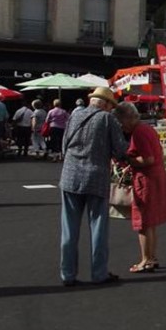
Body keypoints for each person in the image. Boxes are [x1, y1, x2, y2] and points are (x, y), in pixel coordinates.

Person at [58, 87, 127, 287]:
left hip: (70, 176)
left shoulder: (75, 116)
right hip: (96, 176)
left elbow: (64, 146)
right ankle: (99, 273)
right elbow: (120, 149)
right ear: (106, 104)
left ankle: (67, 274)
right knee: (98, 227)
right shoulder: (107, 119)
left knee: (69, 229)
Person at [114, 102, 166, 273]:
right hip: (156, 177)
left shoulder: (138, 133)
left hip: (146, 179)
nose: (121, 126)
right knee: (151, 222)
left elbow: (148, 159)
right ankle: (151, 257)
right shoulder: (147, 129)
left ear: (127, 118)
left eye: (120, 122)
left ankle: (145, 259)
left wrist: (128, 161)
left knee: (143, 222)